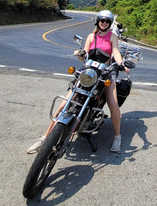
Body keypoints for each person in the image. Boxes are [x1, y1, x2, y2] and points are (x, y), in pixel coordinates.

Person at [27, 10, 129, 154]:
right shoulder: (91, 36)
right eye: (102, 20)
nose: (104, 23)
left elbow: (116, 52)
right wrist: (80, 54)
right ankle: (45, 137)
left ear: (110, 23)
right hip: (89, 72)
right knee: (64, 103)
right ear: (97, 21)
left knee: (113, 104)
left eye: (107, 21)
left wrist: (121, 64)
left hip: (106, 71)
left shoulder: (112, 36)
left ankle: (117, 136)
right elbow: (85, 54)